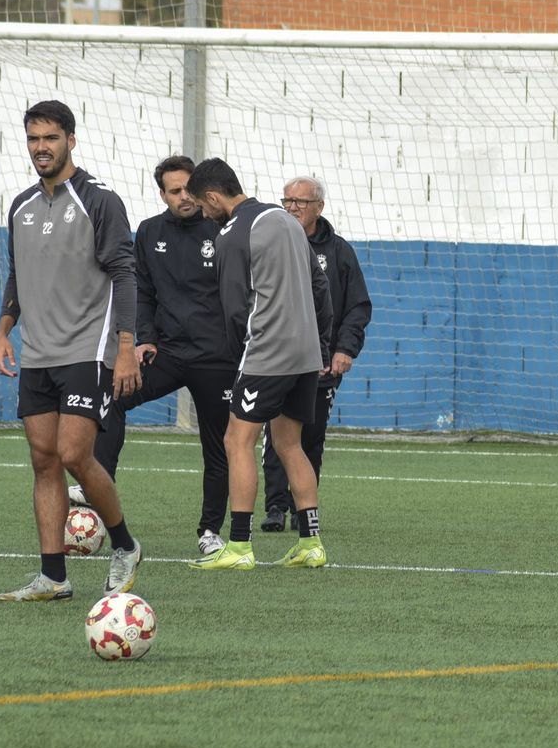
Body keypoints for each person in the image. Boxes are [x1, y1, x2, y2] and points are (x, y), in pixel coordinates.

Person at [0, 100, 144, 602]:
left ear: (71, 141)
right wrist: (4, 329)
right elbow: (16, 274)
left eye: (51, 138)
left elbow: (124, 274)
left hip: (87, 347)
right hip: (37, 352)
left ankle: (125, 545)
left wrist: (126, 346)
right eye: (34, 138)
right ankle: (54, 577)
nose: (41, 147)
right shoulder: (20, 206)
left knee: (74, 453)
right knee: (43, 460)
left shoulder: (100, 200)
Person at [69, 155, 237, 559]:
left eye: (189, 189)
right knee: (113, 396)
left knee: (218, 447)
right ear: (162, 195)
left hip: (217, 358)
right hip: (167, 352)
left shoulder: (223, 230)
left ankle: (210, 530)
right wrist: (143, 339)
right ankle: (99, 482)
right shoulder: (148, 231)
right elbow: (140, 290)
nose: (184, 197)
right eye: (175, 191)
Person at [183, 158, 330, 571]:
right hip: (305, 353)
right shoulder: (287, 221)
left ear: (214, 197)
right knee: (289, 444)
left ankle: (240, 546)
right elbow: (320, 286)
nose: (204, 214)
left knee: (236, 441)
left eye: (203, 206)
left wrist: (240, 359)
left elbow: (234, 308)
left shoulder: (232, 234)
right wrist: (319, 345)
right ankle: (311, 543)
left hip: (266, 352)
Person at [260, 175, 372, 533]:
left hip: (322, 363)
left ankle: (302, 508)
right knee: (276, 434)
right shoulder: (271, 244)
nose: (292, 208)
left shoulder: (339, 252)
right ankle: (275, 506)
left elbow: (357, 306)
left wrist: (344, 349)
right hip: (277, 358)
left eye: (300, 202)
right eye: (287, 201)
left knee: (311, 435)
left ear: (319, 207)